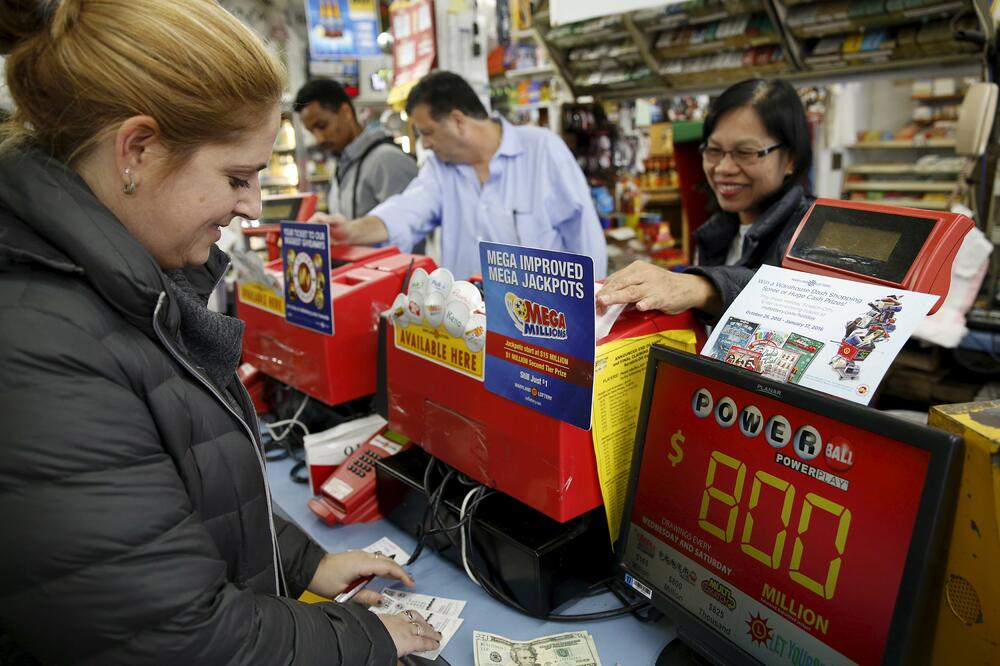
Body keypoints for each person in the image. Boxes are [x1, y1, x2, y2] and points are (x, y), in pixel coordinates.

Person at [0, 1, 441, 663]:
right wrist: (365, 640)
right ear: (138, 150)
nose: (252, 205)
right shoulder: (41, 344)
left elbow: (173, 501)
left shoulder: (117, 283)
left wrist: (299, 563)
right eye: (236, 178)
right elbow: (177, 638)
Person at [313, 70, 609, 280]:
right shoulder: (441, 168)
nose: (425, 144)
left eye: (427, 132)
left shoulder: (542, 151)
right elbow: (405, 212)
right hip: (467, 328)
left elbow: (583, 238)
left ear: (458, 121)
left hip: (539, 331)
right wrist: (349, 231)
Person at [597, 78, 813, 320]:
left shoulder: (813, 236)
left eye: (745, 152)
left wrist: (702, 287)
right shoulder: (718, 231)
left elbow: (794, 300)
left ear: (791, 159)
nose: (723, 168)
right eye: (714, 150)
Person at [294, 79, 417, 219]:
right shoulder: (343, 164)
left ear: (346, 112)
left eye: (322, 125)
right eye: (311, 131)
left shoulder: (387, 161)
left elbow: (412, 228)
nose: (319, 139)